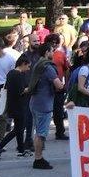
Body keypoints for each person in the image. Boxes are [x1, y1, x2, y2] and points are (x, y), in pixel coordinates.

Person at [27, 36, 65, 170]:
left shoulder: (39, 63)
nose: (53, 53)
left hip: (35, 101)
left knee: (39, 131)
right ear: (46, 52)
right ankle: (38, 159)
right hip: (44, 103)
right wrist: (63, 85)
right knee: (41, 133)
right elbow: (58, 85)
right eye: (51, 51)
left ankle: (39, 156)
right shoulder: (48, 67)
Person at [0, 54, 33, 159]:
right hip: (19, 105)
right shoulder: (18, 75)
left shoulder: (11, 73)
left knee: (18, 128)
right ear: (23, 64)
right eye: (28, 66)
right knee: (19, 128)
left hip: (13, 104)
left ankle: (21, 150)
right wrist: (30, 88)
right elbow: (21, 90)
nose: (28, 69)